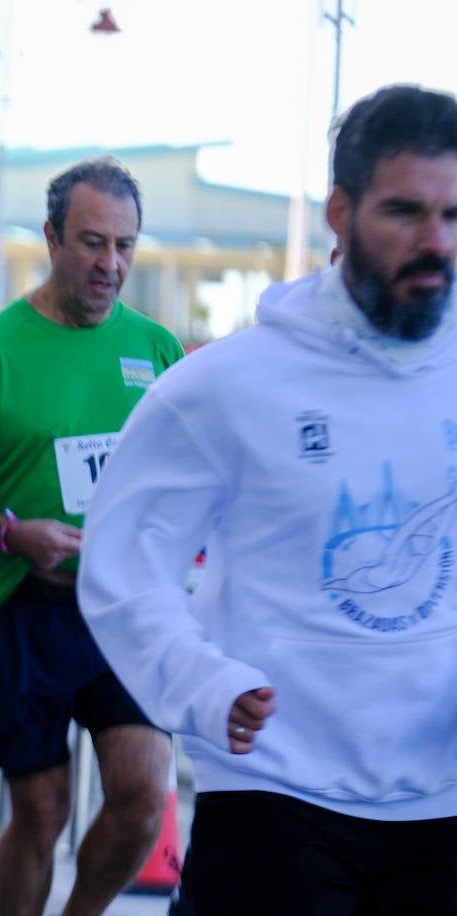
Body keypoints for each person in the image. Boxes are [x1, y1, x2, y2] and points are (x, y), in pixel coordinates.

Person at [77, 84, 457, 915]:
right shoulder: (224, 385)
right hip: (277, 799)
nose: (436, 243)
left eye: (453, 215)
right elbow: (123, 567)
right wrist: (200, 683)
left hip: (444, 802)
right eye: (405, 213)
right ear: (341, 211)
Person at [0, 156, 183, 916]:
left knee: (143, 795)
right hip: (21, 606)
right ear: (51, 238)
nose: (109, 263)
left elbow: (187, 475)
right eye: (91, 242)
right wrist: (14, 533)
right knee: (42, 811)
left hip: (122, 606)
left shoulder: (155, 349)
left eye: (124, 245)